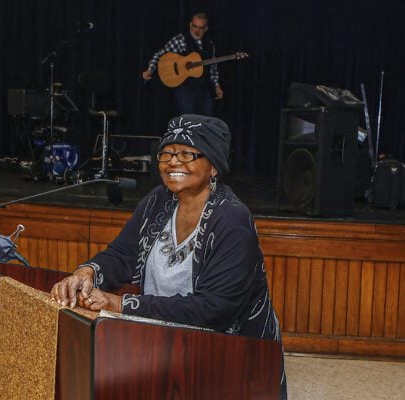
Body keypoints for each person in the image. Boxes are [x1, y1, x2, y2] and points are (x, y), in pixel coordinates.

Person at [51, 114, 286, 398]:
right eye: (167, 153)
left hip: (232, 358)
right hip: (164, 344)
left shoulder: (231, 220)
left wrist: (121, 304)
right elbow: (123, 254)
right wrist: (86, 273)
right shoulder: (158, 200)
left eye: (187, 153)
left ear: (213, 166)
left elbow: (214, 310)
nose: (173, 162)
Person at [142, 13, 223, 116]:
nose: (197, 31)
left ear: (206, 29)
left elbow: (213, 68)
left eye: (201, 28)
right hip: (185, 87)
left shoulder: (210, 45)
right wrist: (150, 70)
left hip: (203, 87)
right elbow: (159, 55)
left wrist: (217, 86)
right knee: (188, 116)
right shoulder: (181, 40)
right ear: (190, 25)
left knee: (207, 114)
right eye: (195, 26)